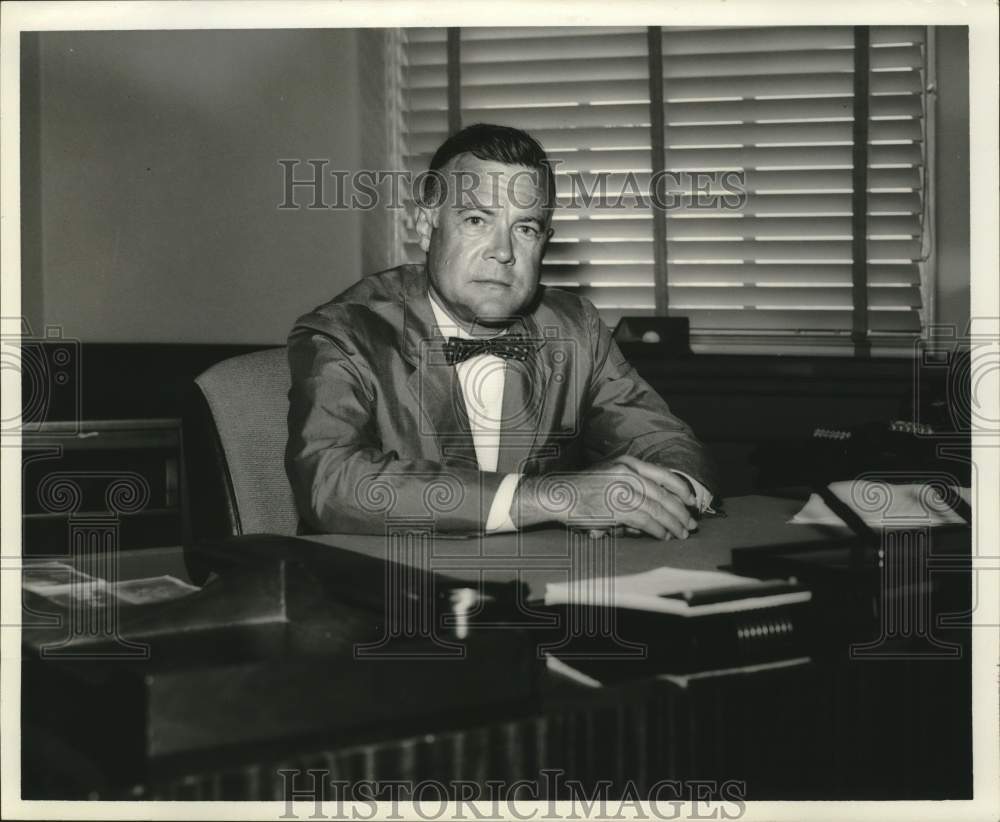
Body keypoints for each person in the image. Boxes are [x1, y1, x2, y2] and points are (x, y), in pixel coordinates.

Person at [286, 123, 717, 538]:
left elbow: (663, 439)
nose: (503, 252)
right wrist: (552, 498)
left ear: (545, 240)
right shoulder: (346, 332)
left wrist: (654, 497)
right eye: (476, 220)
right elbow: (330, 482)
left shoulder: (575, 325)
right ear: (426, 225)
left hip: (534, 589)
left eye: (524, 228)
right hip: (388, 592)